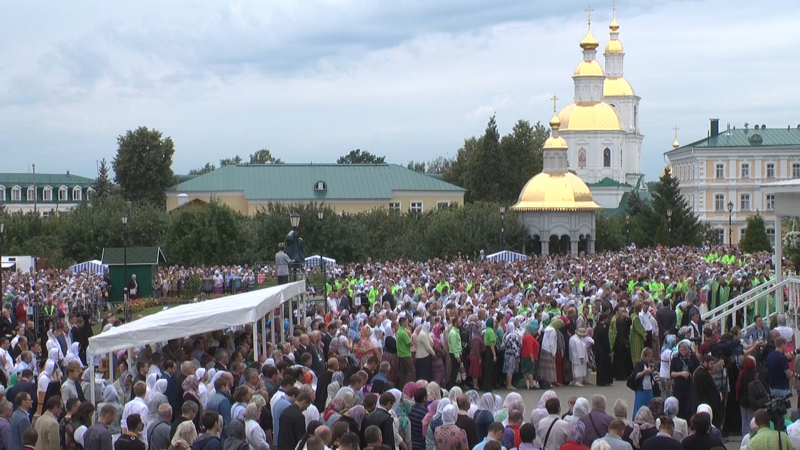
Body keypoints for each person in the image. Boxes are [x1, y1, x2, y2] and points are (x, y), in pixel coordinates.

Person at [669, 341, 698, 420]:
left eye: (685, 350)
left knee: (689, 405)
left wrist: (691, 374)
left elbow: (697, 369)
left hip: (689, 384)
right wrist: (681, 373)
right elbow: (671, 373)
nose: (683, 352)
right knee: (679, 403)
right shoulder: (675, 358)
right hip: (679, 385)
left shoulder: (692, 357)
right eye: (681, 350)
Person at [691, 355, 721, 424]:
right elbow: (710, 391)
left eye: (713, 364)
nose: (713, 366)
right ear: (704, 362)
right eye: (711, 364)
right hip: (703, 403)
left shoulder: (700, 371)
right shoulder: (702, 374)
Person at [630, 348, 656, 420]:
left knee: (649, 407)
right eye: (648, 356)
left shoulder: (649, 364)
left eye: (651, 356)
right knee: (639, 407)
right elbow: (636, 375)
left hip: (649, 388)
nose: (650, 358)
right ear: (644, 356)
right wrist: (645, 371)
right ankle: (635, 421)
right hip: (641, 389)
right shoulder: (639, 364)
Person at [593, 314, 613, 387]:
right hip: (603, 351)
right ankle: (603, 381)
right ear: (604, 319)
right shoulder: (603, 329)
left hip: (597, 350)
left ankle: (599, 381)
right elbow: (606, 341)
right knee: (604, 366)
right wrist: (609, 351)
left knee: (599, 366)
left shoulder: (596, 328)